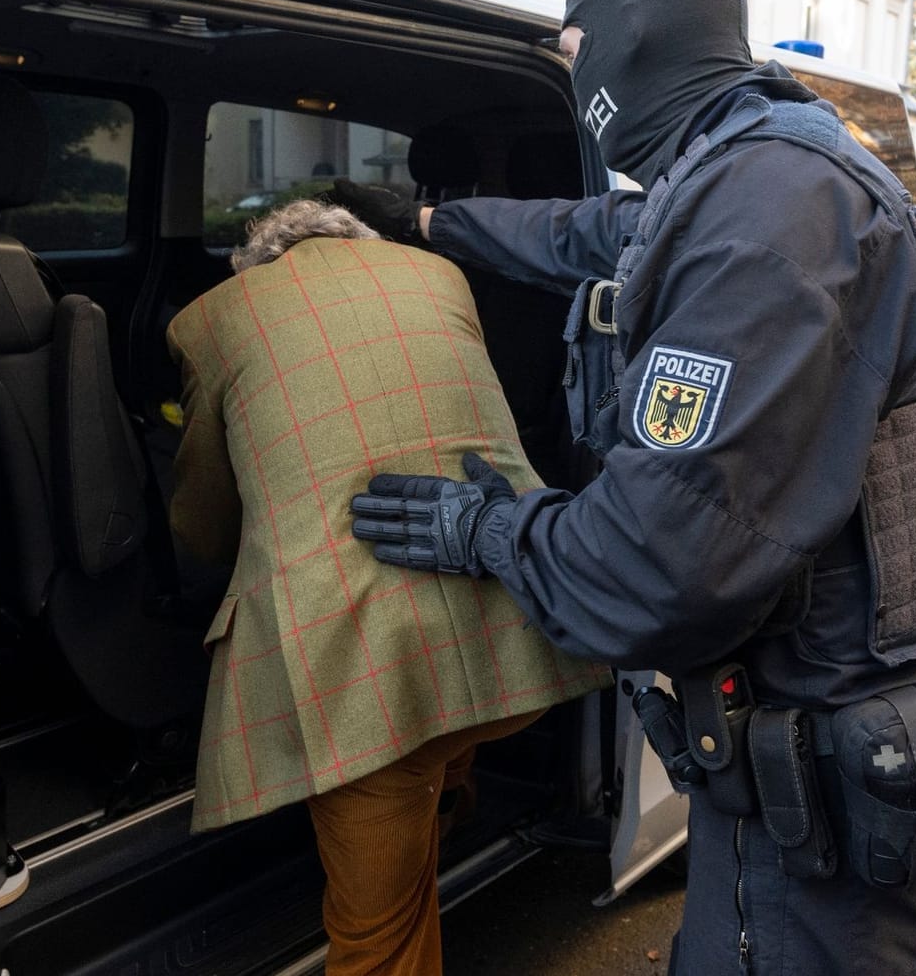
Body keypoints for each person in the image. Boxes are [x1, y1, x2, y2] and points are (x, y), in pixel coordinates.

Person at [336, 0, 916, 975]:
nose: (575, 75)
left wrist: (489, 529)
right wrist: (431, 224)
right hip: (806, 757)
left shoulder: (772, 208)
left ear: (630, 36)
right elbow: (584, 233)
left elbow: (652, 567)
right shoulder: (739, 174)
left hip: (824, 770)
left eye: (574, 50)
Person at [164, 200, 608, 976]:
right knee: (437, 751)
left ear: (259, 268)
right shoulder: (441, 277)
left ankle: (425, 809)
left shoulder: (215, 320)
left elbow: (204, 527)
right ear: (362, 249)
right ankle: (446, 799)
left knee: (378, 938)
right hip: (522, 634)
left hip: (369, 679)